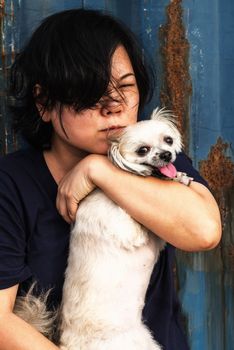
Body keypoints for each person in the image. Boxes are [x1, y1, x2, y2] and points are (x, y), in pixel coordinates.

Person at [0, 8, 221, 350]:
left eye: (126, 87)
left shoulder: (152, 157)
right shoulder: (10, 185)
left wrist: (97, 170)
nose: (114, 106)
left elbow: (204, 231)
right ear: (44, 102)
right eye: (90, 92)